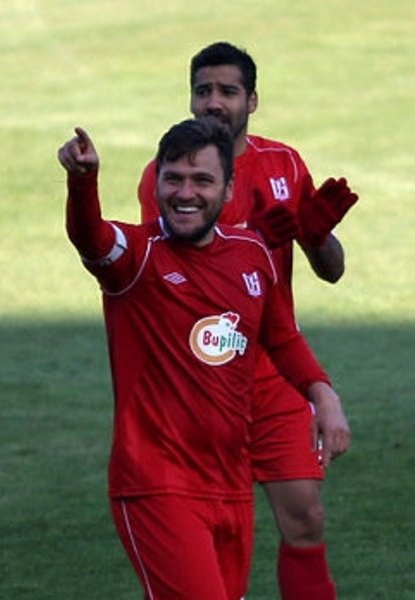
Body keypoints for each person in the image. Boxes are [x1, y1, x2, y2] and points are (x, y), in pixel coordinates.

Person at [58, 117, 347, 599]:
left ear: (228, 189)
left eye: (202, 180)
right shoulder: (137, 257)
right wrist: (83, 182)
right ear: (156, 183)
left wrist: (324, 395)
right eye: (173, 178)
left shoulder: (252, 253)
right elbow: (90, 236)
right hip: (158, 484)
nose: (185, 193)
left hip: (230, 484)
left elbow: (280, 338)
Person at [136, 42, 356, 599]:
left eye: (227, 91)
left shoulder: (284, 164)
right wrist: (253, 238)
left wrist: (315, 236)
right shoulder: (171, 178)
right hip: (201, 377)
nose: (213, 102)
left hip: (274, 371)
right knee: (196, 534)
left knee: (305, 517)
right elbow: (173, 275)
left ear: (252, 100)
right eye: (203, 90)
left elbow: (331, 270)